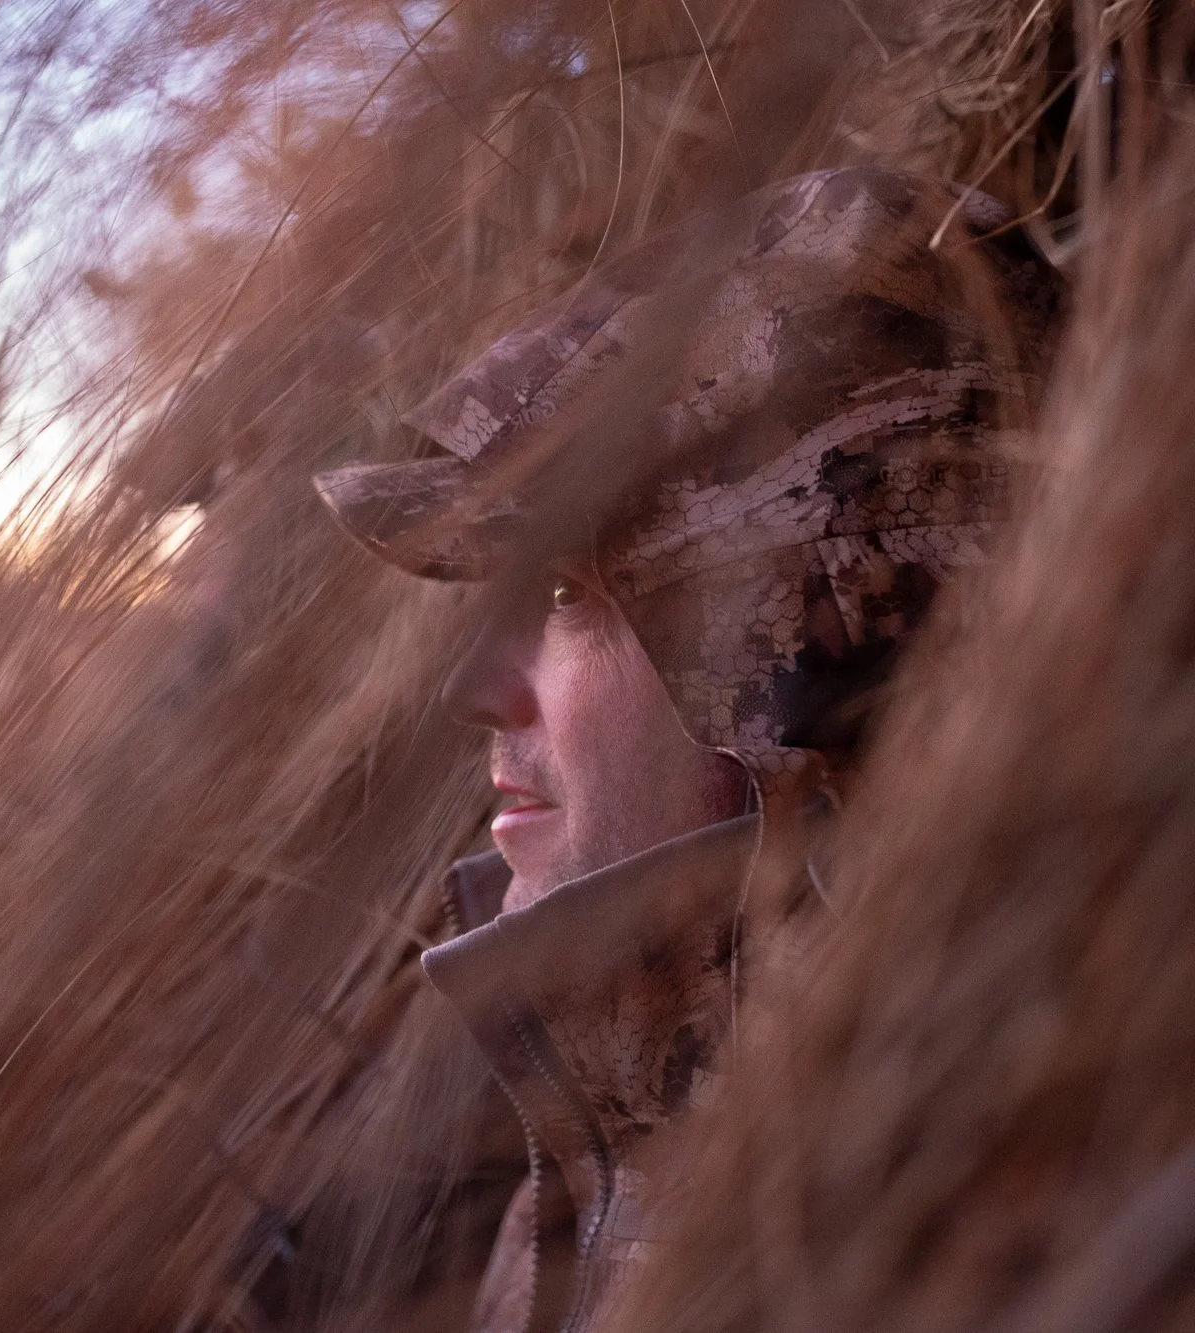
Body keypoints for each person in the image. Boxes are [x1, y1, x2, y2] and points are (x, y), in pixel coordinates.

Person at [314, 167, 1063, 1333]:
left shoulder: (965, 1211)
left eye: (567, 590)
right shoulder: (604, 1116)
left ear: (814, 649)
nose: (471, 691)